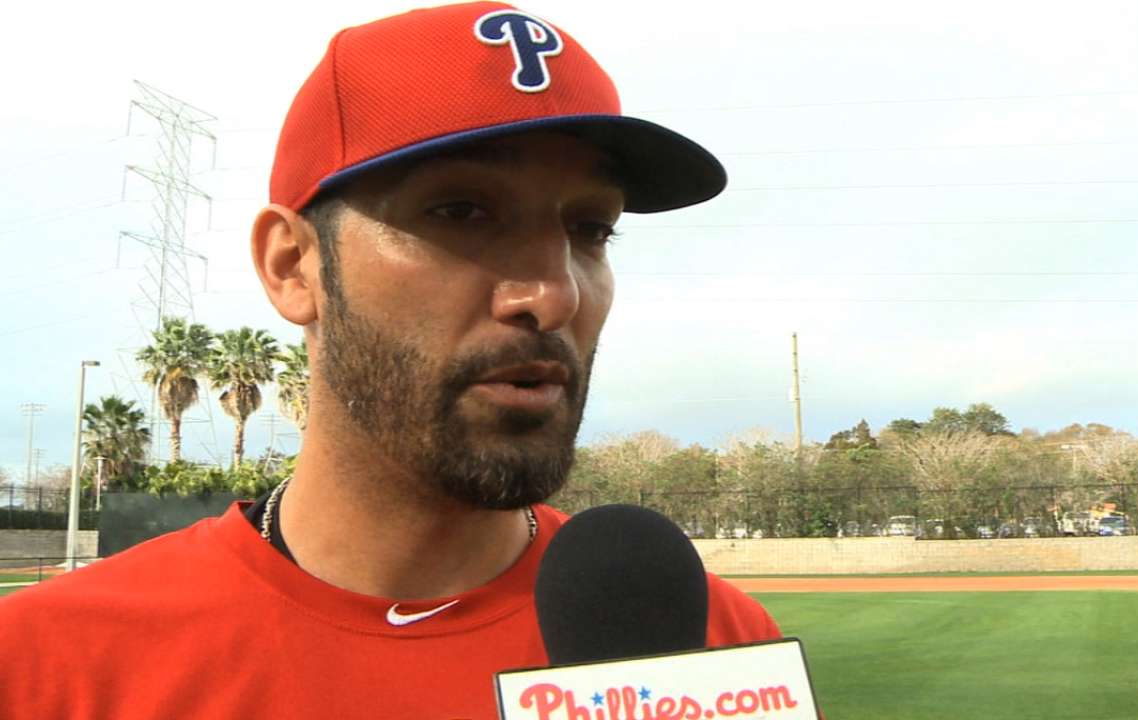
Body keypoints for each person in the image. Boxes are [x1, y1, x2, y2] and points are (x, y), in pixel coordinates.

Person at [0, 3, 781, 718]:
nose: (553, 295)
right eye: (462, 211)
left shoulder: (711, 647)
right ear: (292, 266)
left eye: (591, 228)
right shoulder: (41, 667)